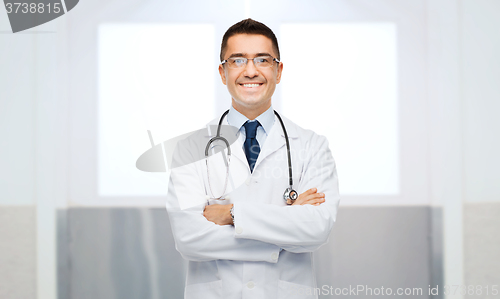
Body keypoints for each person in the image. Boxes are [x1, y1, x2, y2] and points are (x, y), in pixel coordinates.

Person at [166, 18, 340, 299]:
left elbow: (316, 229)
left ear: (278, 70)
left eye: (262, 59)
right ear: (222, 72)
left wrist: (232, 214)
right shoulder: (191, 150)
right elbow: (189, 240)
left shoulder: (312, 146)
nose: (250, 71)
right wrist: (283, 231)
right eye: (237, 61)